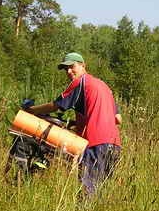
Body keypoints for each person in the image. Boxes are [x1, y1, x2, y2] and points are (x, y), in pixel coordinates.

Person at [25, 52, 121, 194]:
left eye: (72, 67)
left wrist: (31, 110)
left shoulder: (81, 82)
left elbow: (56, 105)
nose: (69, 71)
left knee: (88, 193)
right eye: (66, 69)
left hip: (95, 144)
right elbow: (118, 119)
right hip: (114, 145)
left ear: (83, 66)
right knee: (103, 193)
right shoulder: (104, 86)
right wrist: (80, 122)